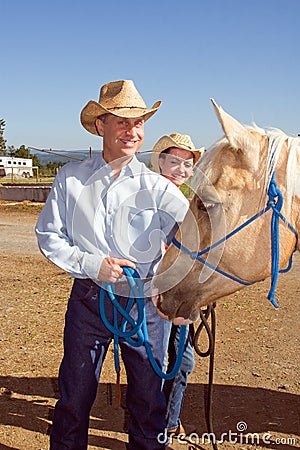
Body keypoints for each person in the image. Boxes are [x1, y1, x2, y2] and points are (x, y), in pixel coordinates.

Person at [35, 80, 189, 450]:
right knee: (74, 399)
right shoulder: (70, 179)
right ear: (100, 125)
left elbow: (190, 248)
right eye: (121, 121)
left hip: (145, 304)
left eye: (137, 123)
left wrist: (183, 294)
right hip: (89, 299)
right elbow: (48, 235)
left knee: (149, 403)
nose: (131, 131)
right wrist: (91, 263)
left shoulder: (162, 188)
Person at [151, 133, 204, 437]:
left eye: (187, 164)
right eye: (175, 161)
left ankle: (168, 422)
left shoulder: (185, 203)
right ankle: (153, 425)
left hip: (181, 294)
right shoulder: (151, 198)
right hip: (155, 294)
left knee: (182, 362)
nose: (181, 169)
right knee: (156, 362)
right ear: (161, 162)